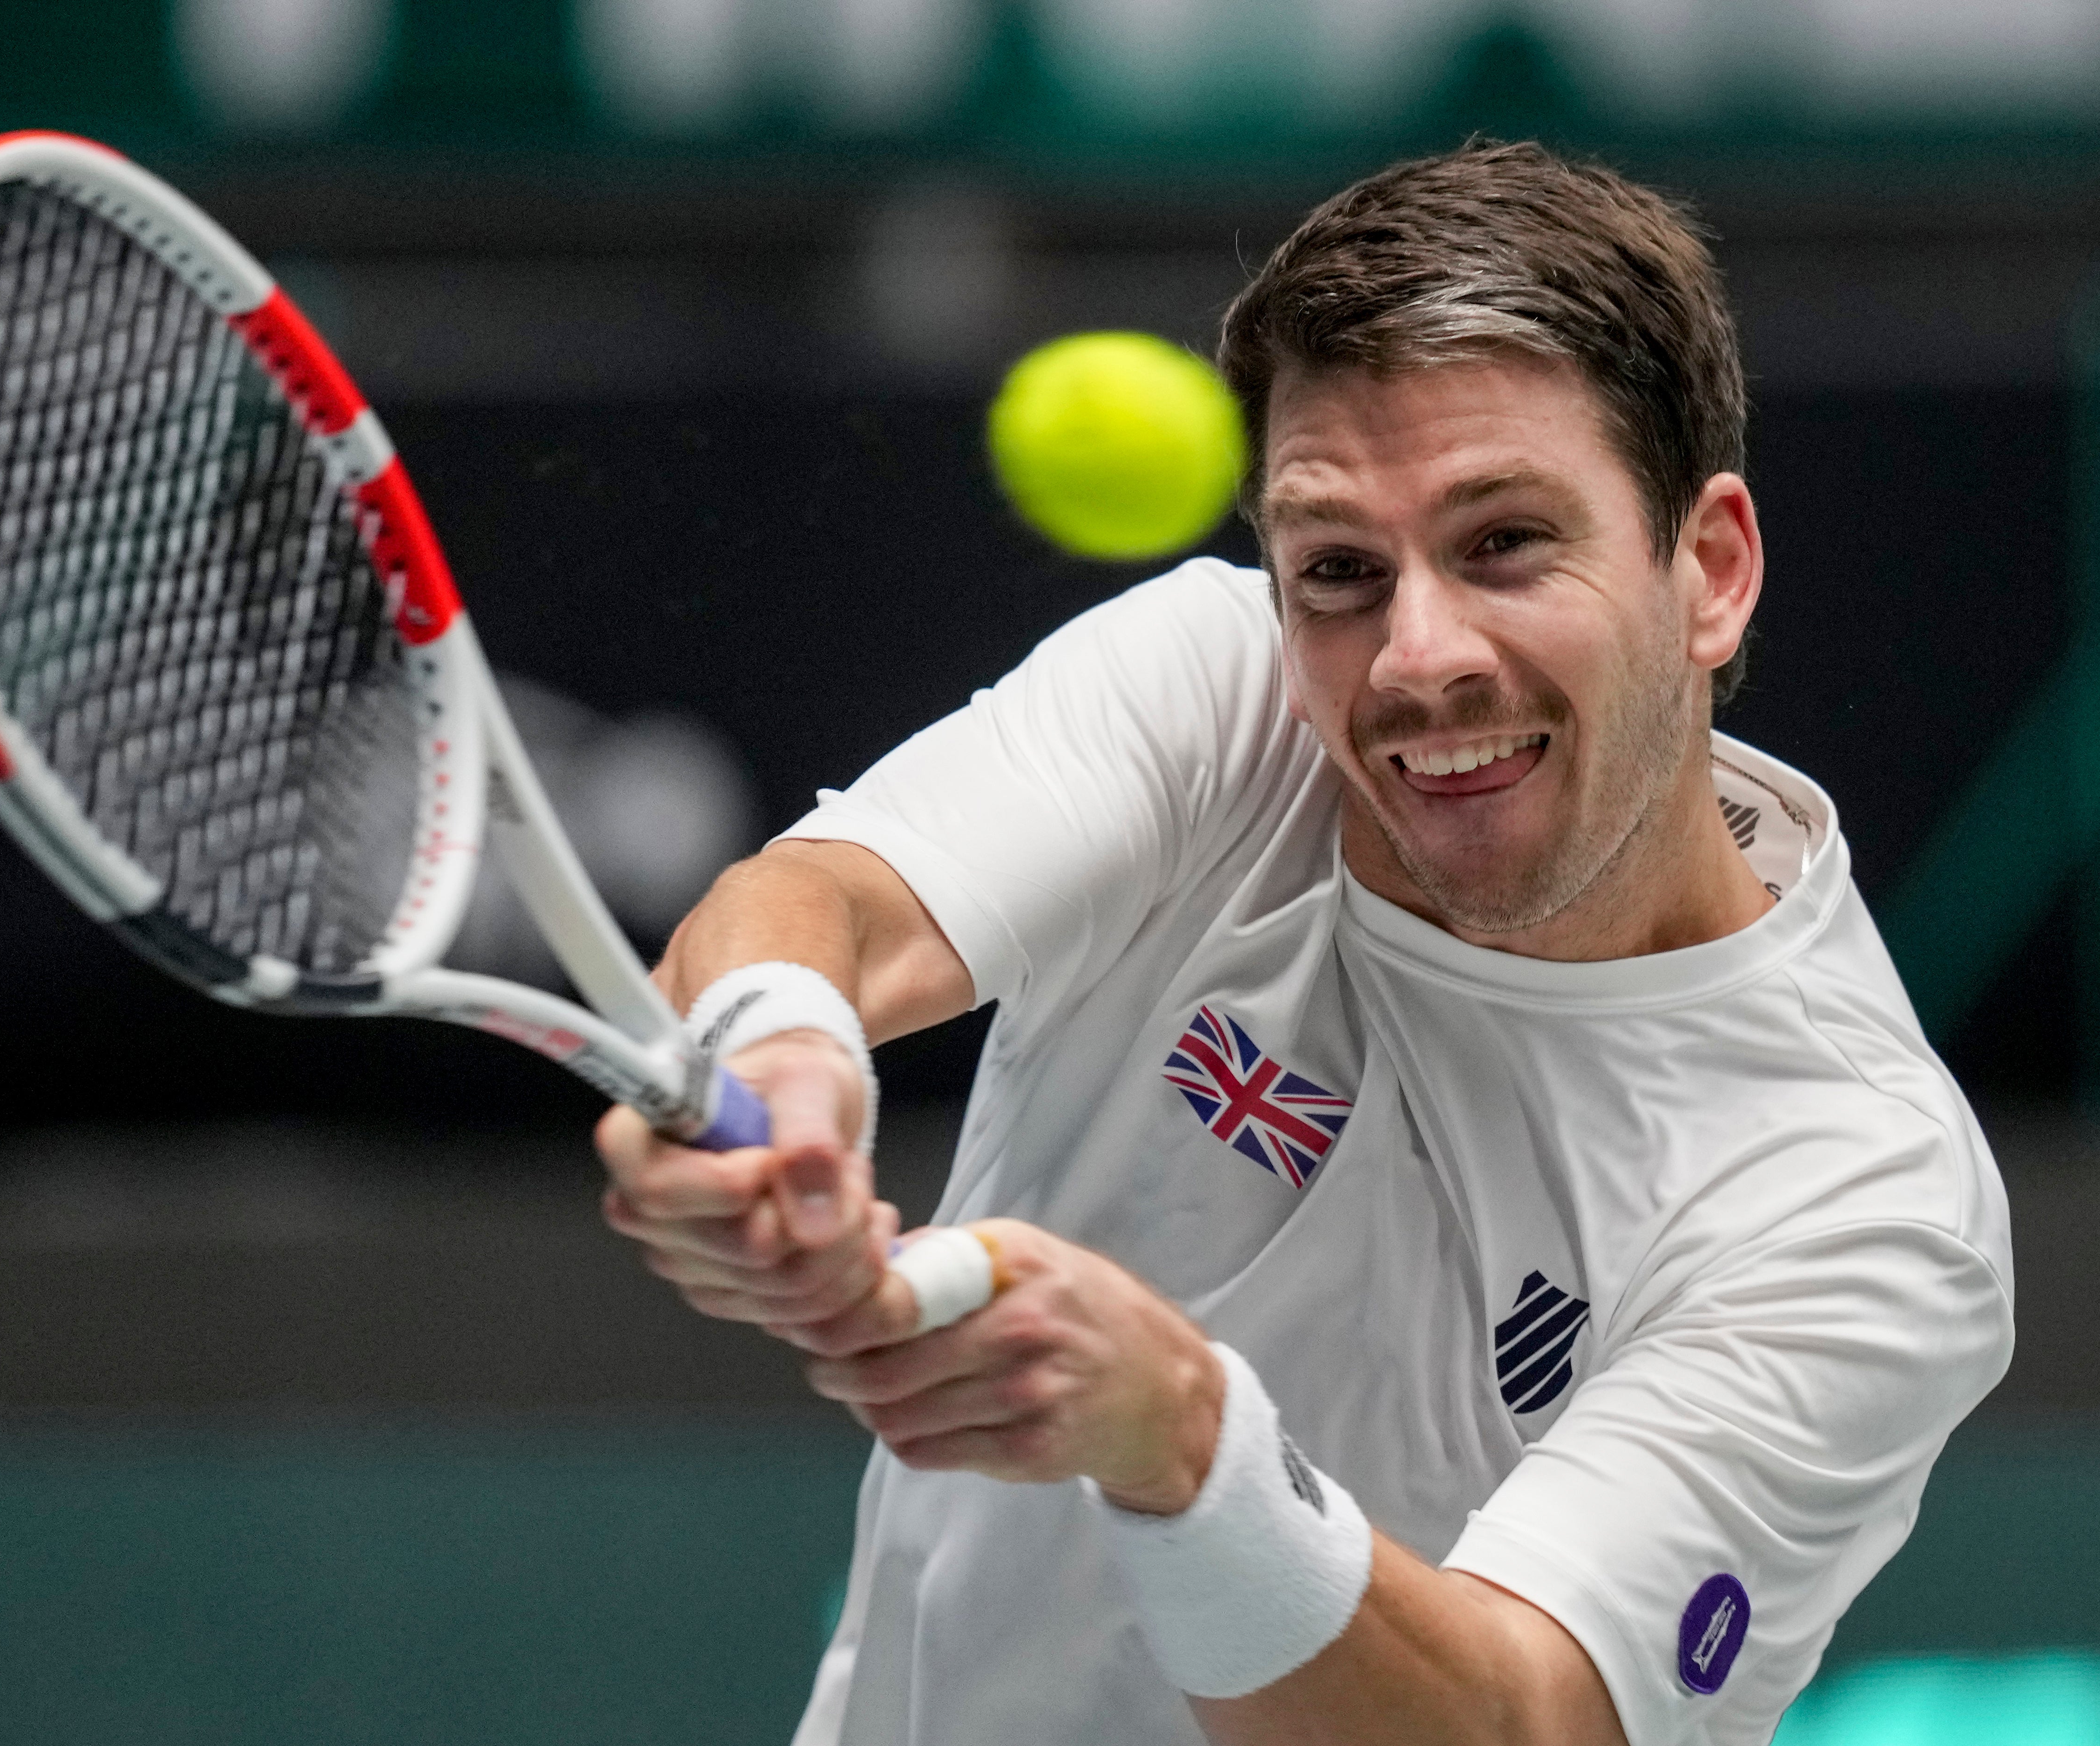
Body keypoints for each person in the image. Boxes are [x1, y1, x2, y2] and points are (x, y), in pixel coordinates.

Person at [596, 140, 2013, 1746]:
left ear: (1709, 572)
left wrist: (1186, 1444)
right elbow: (821, 912)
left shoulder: (1858, 1192)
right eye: (1337, 571)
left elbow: (1524, 1719)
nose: (1416, 658)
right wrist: (780, 1052)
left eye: (1503, 543)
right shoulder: (1220, 693)